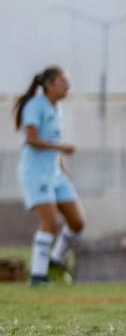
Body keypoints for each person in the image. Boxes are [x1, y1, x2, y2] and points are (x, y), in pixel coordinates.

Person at [14, 66, 83, 286]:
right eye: (63, 81)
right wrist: (62, 147)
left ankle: (55, 260)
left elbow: (52, 143)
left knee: (77, 222)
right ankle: (37, 276)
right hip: (36, 174)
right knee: (50, 223)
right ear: (49, 85)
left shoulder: (56, 108)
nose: (68, 86)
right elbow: (31, 139)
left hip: (55, 174)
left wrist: (64, 171)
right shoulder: (35, 106)